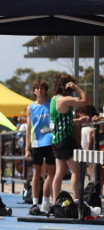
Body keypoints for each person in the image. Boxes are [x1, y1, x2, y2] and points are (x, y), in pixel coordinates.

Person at [50, 73, 90, 203]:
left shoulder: (53, 100)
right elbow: (86, 100)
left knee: (59, 172)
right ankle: (77, 201)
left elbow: (62, 121)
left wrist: (78, 120)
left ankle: (55, 201)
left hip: (57, 140)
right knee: (75, 171)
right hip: (66, 139)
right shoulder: (63, 100)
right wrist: (77, 87)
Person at [25, 80, 56, 214]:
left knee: (52, 173)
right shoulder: (30, 107)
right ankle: (35, 203)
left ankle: (45, 201)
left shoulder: (52, 103)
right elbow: (28, 129)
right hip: (37, 143)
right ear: (34, 91)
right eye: (37, 88)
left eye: (42, 88)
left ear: (45, 90)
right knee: (36, 173)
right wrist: (27, 148)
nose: (39, 90)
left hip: (51, 142)